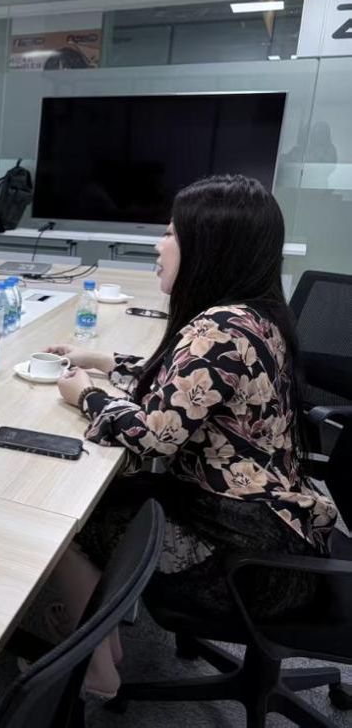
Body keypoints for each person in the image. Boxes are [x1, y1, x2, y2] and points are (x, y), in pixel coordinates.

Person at [39, 174, 339, 694]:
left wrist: (86, 394)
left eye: (171, 233)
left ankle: (98, 668)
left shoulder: (218, 327)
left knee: (64, 520)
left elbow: (152, 437)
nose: (159, 246)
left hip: (249, 559)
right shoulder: (253, 315)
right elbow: (189, 386)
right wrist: (104, 361)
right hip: (276, 526)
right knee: (113, 496)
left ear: (209, 245)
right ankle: (102, 640)